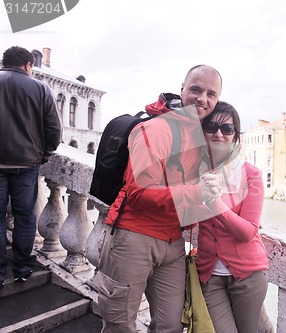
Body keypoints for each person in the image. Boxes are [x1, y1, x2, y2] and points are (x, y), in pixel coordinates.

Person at [96, 65, 223, 333]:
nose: (203, 99)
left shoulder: (198, 137)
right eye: (196, 90)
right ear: (183, 89)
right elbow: (139, 192)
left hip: (173, 244)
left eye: (211, 94)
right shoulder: (156, 130)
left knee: (171, 326)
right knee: (119, 324)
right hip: (133, 238)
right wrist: (198, 193)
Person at [196, 101, 270, 333]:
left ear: (235, 136)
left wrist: (213, 202)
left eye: (227, 129)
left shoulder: (251, 174)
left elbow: (248, 231)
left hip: (248, 274)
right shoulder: (193, 171)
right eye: (212, 127)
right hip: (209, 274)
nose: (219, 133)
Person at [0, 46, 62, 287]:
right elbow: (53, 130)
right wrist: (44, 152)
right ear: (27, 65)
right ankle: (22, 268)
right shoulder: (40, 88)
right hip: (26, 162)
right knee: (25, 216)